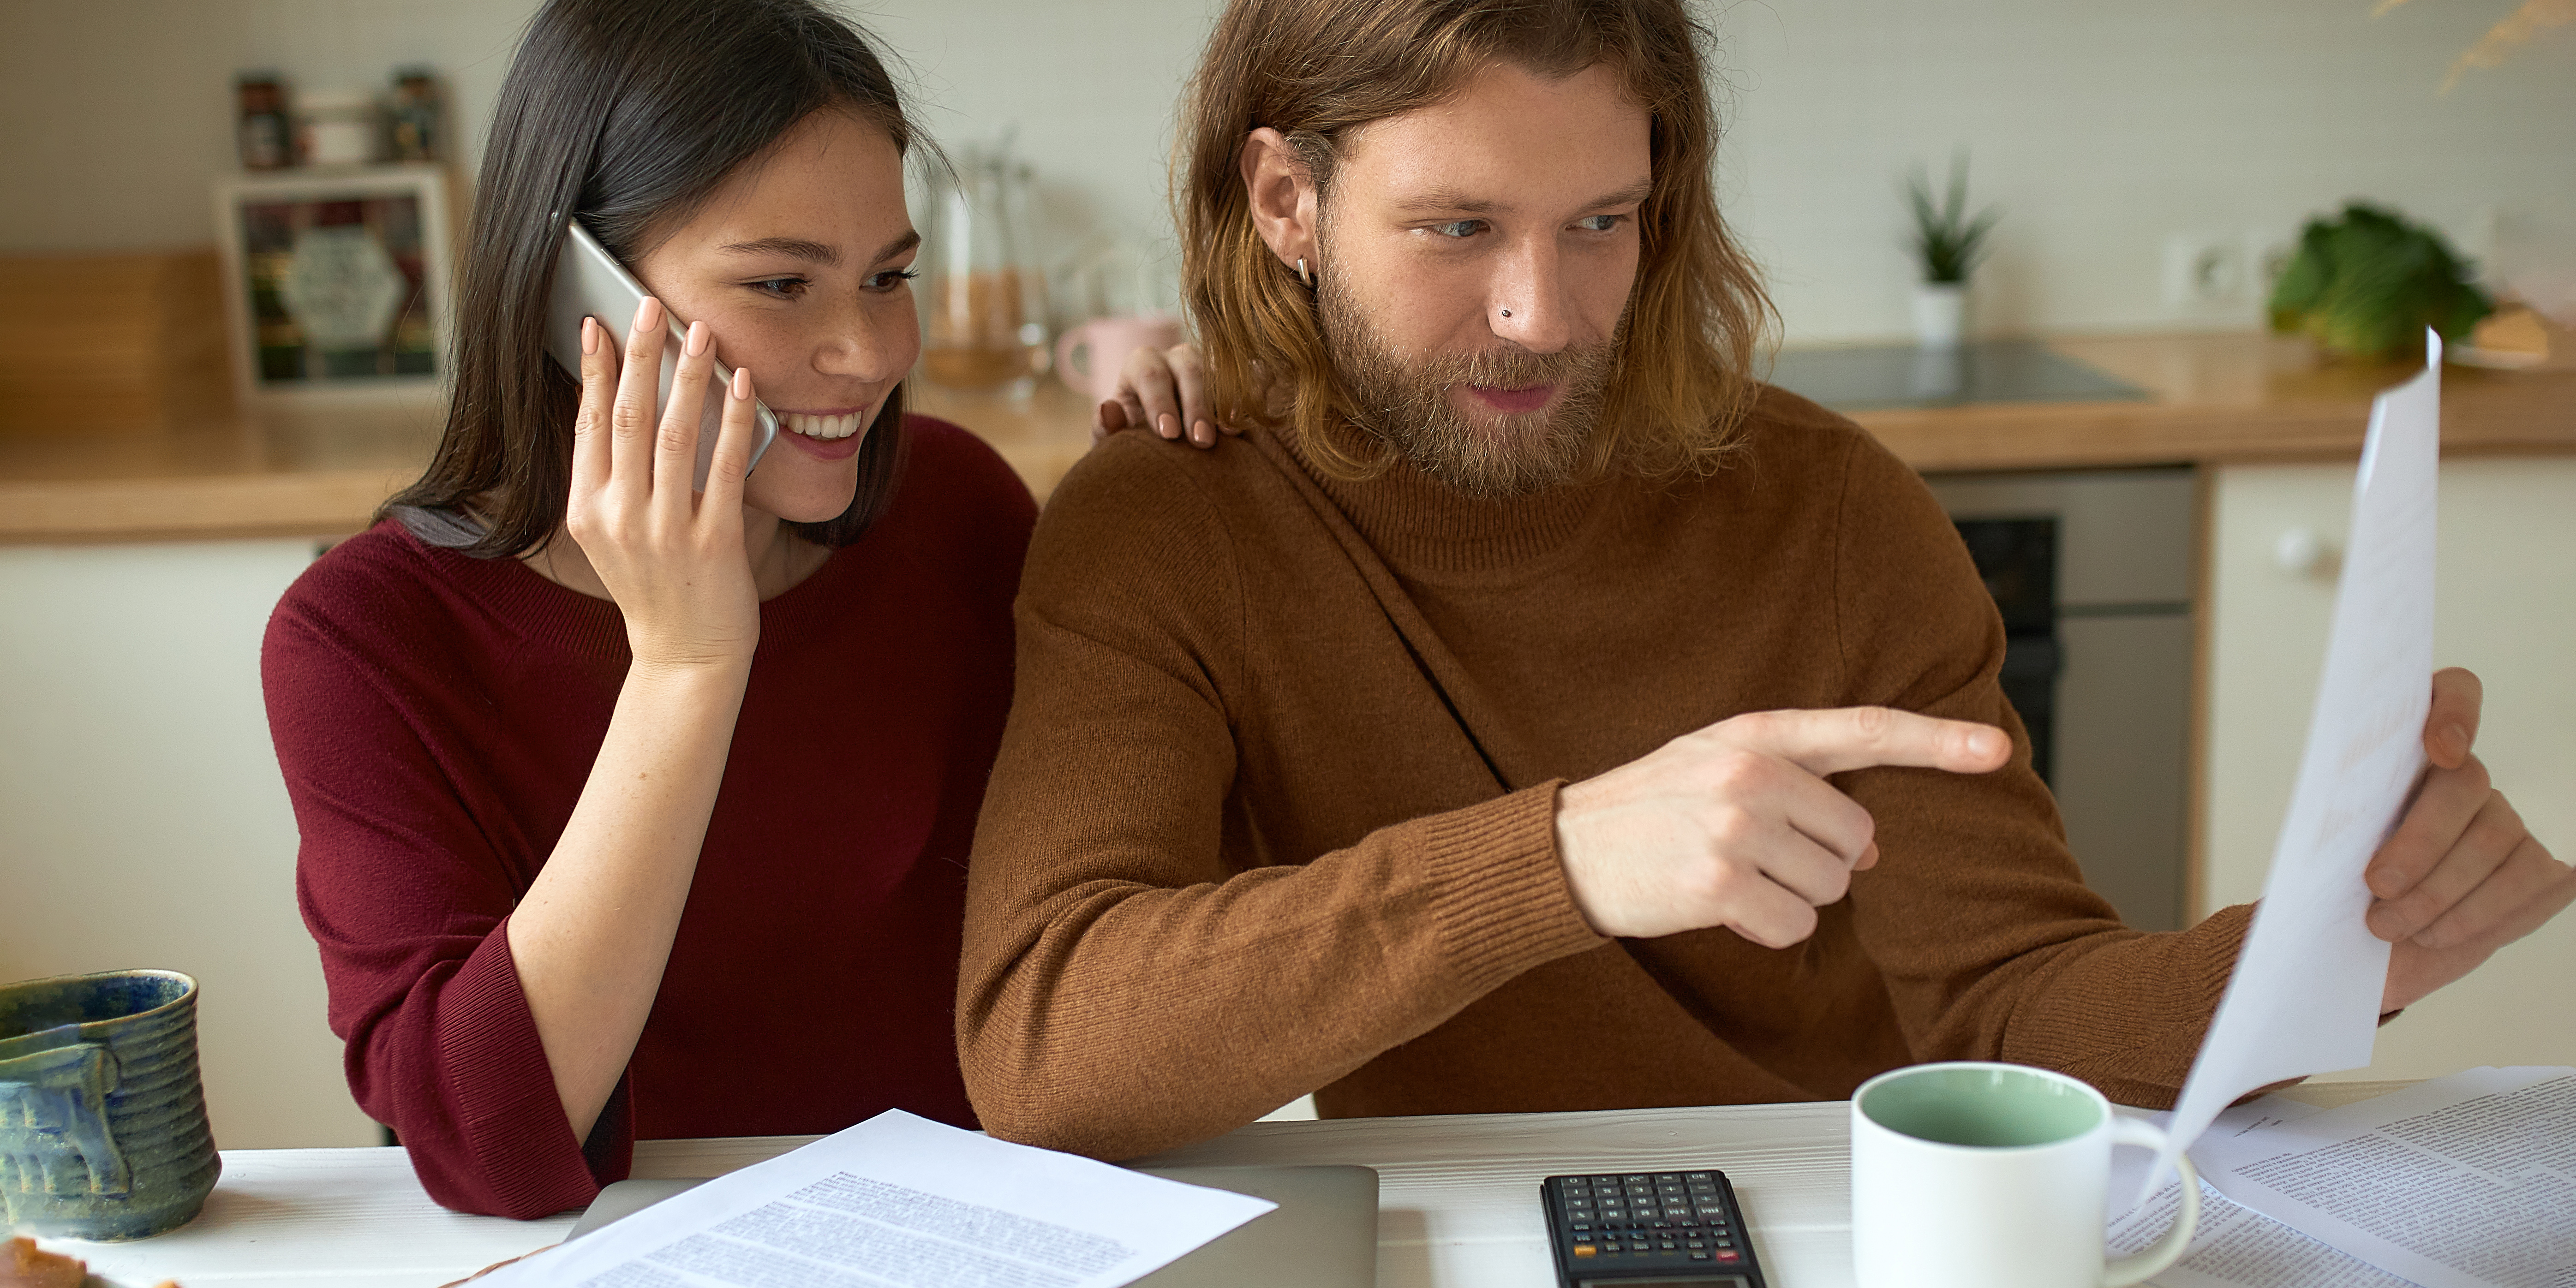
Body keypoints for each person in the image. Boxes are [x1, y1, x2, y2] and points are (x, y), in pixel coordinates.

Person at [956, 0, 2575, 1161]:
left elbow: (2009, 1010)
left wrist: (2323, 956)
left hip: (1840, 1221)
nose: (1545, 311)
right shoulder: (1172, 525)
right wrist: (1568, 857)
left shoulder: (1830, 511)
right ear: (1287, 202)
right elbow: (1046, 1043)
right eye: (1458, 230)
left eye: (1603, 221)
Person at [261, 0, 1198, 1218]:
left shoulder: (958, 514)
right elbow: (486, 1152)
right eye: (780, 285)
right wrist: (688, 662)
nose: (866, 351)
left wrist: (1211, 493)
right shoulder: (368, 641)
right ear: (571, 293)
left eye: (888, 276)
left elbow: (1146, 931)